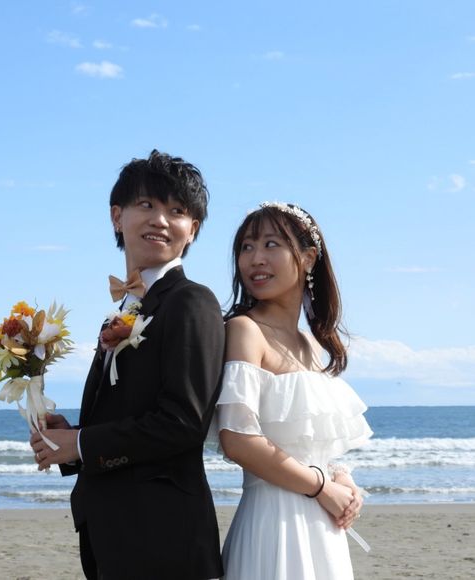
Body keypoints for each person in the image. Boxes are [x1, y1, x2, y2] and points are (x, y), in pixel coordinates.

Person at [30, 150, 225, 580]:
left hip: (165, 538)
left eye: (177, 211)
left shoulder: (192, 301)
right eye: (147, 205)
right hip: (112, 536)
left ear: (192, 229)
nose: (160, 220)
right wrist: (67, 438)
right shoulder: (122, 311)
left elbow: (183, 422)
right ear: (117, 216)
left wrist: (82, 443)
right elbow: (128, 414)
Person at [213, 202, 373, 579]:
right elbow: (237, 439)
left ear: (308, 258)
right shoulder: (245, 330)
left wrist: (341, 478)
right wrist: (321, 488)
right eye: (247, 247)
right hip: (274, 522)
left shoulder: (312, 345)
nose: (255, 258)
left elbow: (312, 443)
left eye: (271, 244)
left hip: (323, 526)